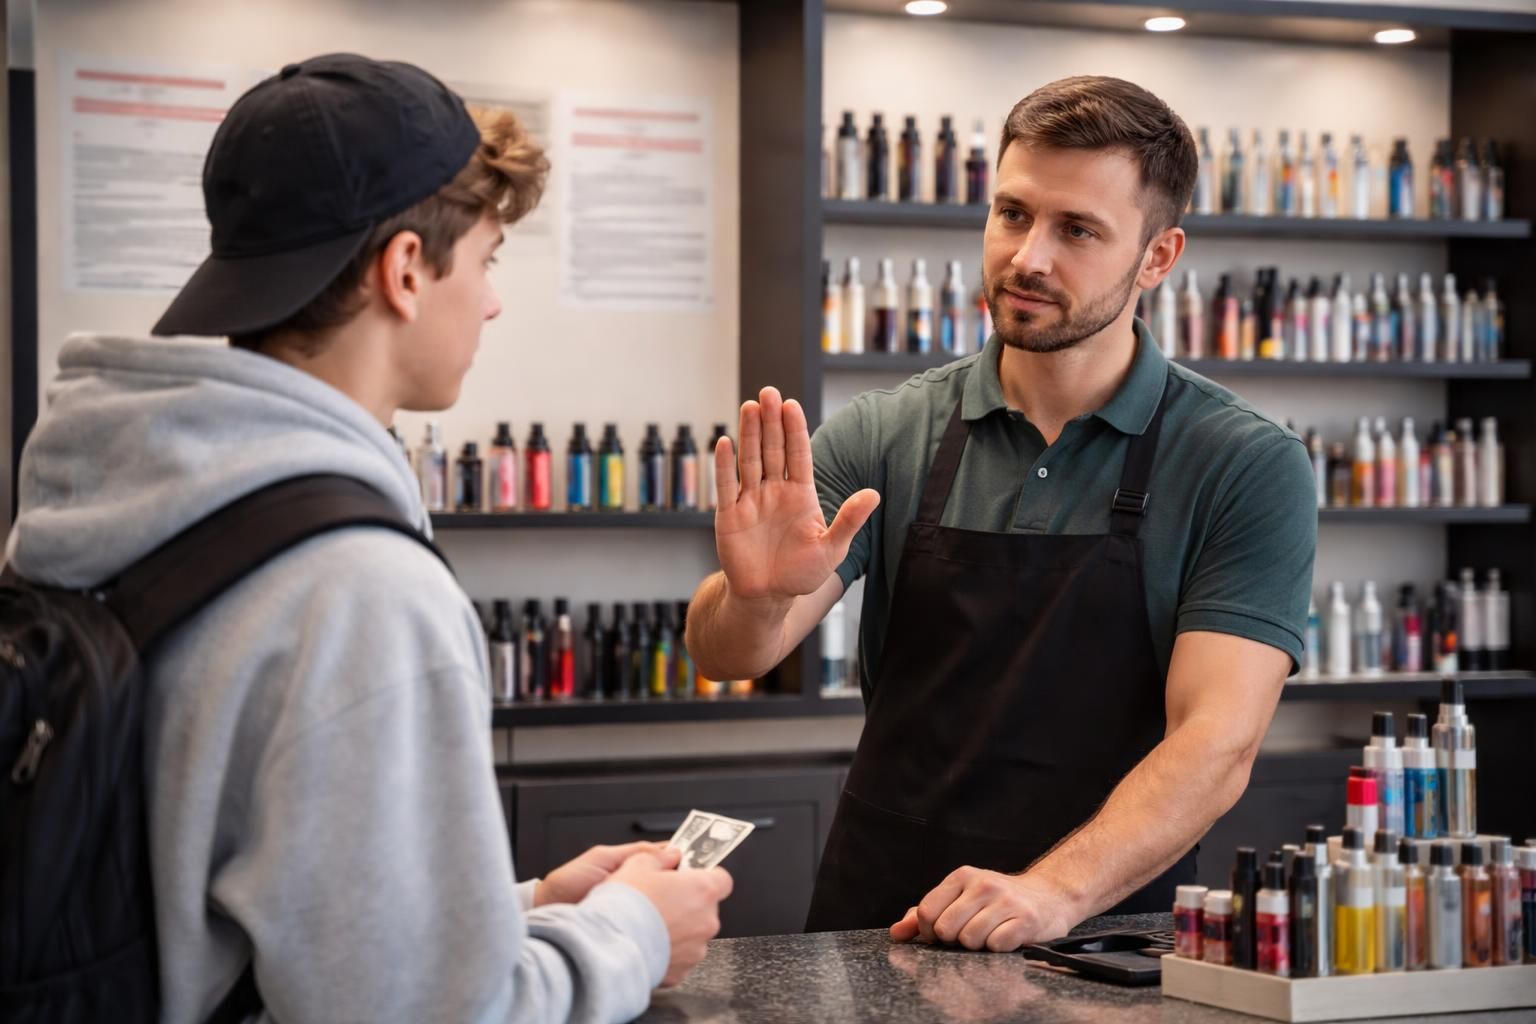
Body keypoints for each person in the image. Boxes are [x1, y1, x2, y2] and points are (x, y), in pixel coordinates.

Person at [5, 54, 729, 1023]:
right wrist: (633, 929)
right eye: (486, 259)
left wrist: (525, 907)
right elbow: (440, 1013)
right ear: (403, 271)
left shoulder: (110, 495)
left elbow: (222, 912)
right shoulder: (361, 592)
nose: (494, 299)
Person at [685, 76, 1316, 952]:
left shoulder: (1243, 464)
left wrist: (1050, 894)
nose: (1028, 257)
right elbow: (728, 652)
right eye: (1012, 214)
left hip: (1102, 932)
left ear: (1159, 256)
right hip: (882, 918)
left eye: (1078, 230)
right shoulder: (886, 431)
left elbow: (1216, 744)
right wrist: (753, 599)